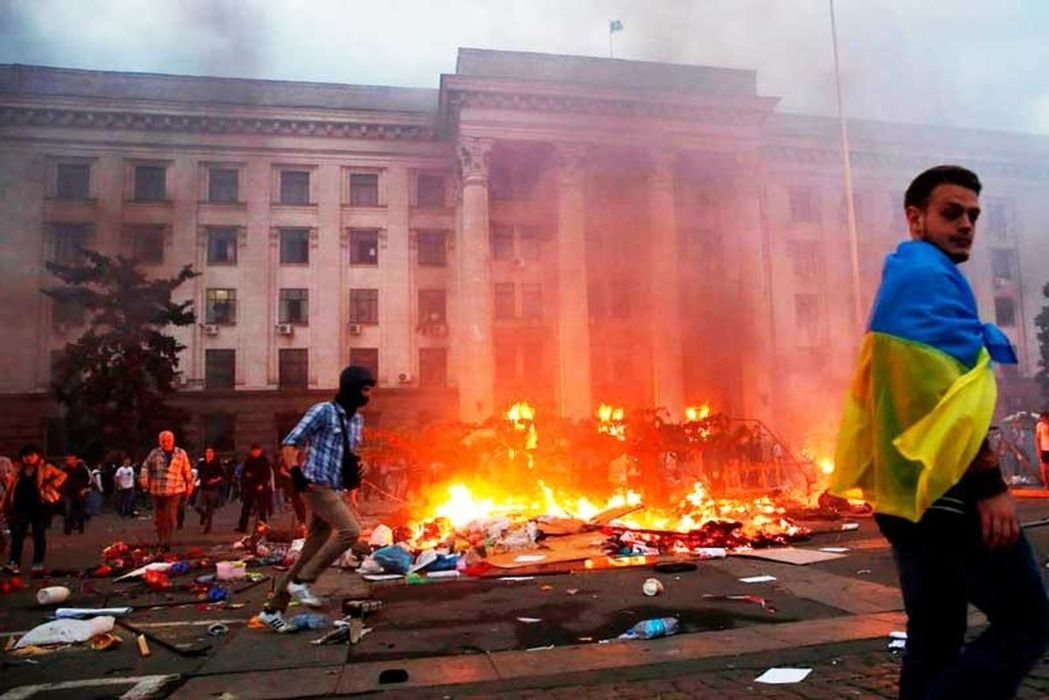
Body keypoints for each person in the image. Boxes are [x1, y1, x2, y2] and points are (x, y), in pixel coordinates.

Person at [830, 165, 1049, 699]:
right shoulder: (927, 277)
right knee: (1027, 621)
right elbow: (941, 399)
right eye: (951, 213)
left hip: (907, 491)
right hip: (945, 489)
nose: (967, 224)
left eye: (973, 214)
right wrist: (990, 487)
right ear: (915, 217)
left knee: (936, 631)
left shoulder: (908, 275)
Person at [259, 365, 374, 632]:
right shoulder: (322, 411)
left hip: (335, 489)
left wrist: (361, 467)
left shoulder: (356, 420)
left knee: (308, 552)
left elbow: (352, 454)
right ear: (351, 387)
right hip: (315, 486)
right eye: (365, 390)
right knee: (351, 531)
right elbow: (290, 443)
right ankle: (304, 582)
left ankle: (272, 609)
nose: (369, 396)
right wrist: (296, 472)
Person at [3, 444, 66, 574]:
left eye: (32, 455)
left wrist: (52, 485)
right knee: (17, 535)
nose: (29, 458)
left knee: (39, 534)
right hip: (20, 506)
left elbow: (62, 475)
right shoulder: (17, 469)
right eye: (26, 456)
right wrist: (5, 504)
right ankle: (14, 563)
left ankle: (38, 563)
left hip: (40, 506)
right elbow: (10, 488)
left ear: (38, 456)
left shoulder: (45, 468)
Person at [140, 431, 194, 550]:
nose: (166, 443)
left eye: (168, 440)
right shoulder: (154, 453)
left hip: (174, 489)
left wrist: (190, 485)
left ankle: (166, 542)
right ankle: (161, 540)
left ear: (173, 440)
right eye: (163, 440)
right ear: (160, 442)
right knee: (159, 518)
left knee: (170, 516)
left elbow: (187, 470)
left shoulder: (180, 453)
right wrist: (144, 479)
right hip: (157, 489)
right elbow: (145, 467)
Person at [238, 443, 273, 533]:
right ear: (252, 451)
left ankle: (263, 526)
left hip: (261, 486)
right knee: (246, 507)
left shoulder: (264, 461)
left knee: (262, 508)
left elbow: (266, 475)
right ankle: (242, 526)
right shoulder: (248, 461)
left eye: (257, 451)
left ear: (260, 451)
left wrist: (262, 484)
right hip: (250, 486)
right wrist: (247, 478)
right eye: (254, 451)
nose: (256, 453)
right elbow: (245, 473)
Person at [196, 447, 225, 534]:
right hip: (203, 487)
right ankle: (203, 515)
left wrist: (215, 480)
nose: (209, 454)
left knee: (210, 508)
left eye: (211, 452)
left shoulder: (216, 464)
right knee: (198, 505)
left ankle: (208, 527)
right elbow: (199, 473)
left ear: (213, 453)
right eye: (207, 452)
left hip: (212, 488)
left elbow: (222, 475)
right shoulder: (201, 463)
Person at [61, 452, 91, 535]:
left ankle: (80, 527)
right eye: (67, 459)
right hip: (69, 493)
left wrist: (85, 489)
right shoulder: (65, 470)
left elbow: (87, 480)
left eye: (70, 459)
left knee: (80, 511)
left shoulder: (82, 469)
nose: (68, 461)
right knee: (68, 511)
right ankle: (67, 529)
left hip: (79, 492)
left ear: (75, 460)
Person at [1036, 409, 1049, 488]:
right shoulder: (1040, 425)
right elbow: (1037, 438)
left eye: (1044, 418)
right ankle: (1046, 485)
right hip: (1044, 449)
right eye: (1042, 418)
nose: (1042, 420)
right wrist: (1038, 450)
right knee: (1044, 469)